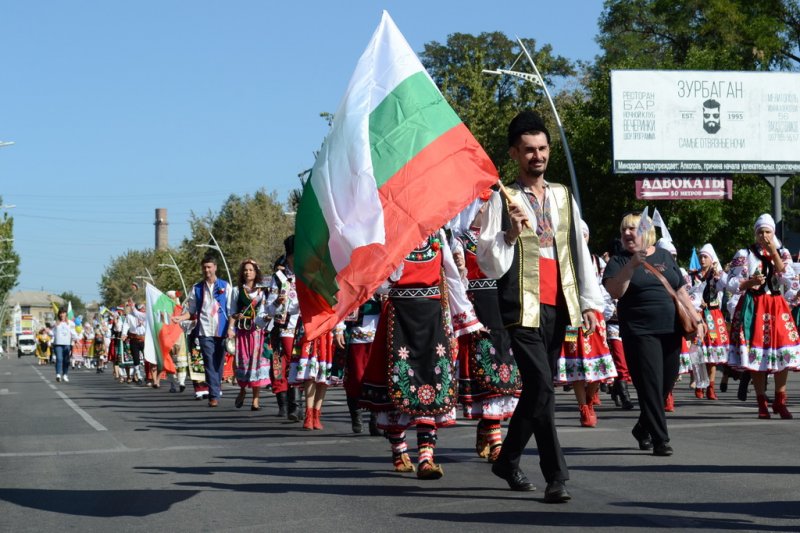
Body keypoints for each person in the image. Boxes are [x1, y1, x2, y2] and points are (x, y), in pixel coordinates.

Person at [477, 110, 605, 503]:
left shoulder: (563, 195)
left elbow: (577, 251)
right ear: (514, 153)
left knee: (541, 391)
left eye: (543, 148)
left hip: (558, 304)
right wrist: (509, 234)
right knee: (543, 386)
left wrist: (588, 302)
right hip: (521, 306)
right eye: (529, 150)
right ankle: (557, 476)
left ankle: (508, 459)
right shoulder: (502, 197)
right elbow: (488, 261)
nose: (538, 156)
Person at [361, 230, 481, 479]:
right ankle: (399, 450)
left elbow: (452, 279)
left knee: (431, 381)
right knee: (395, 383)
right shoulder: (390, 236)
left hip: (432, 318)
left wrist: (468, 320)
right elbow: (380, 284)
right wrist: (394, 254)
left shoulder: (438, 237)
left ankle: (426, 457)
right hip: (398, 318)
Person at [603, 212, 705, 457]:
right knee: (650, 386)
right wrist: (631, 265)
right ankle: (661, 439)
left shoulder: (664, 256)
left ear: (646, 232)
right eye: (624, 229)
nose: (627, 233)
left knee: (664, 385)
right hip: (640, 332)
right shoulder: (618, 262)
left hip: (671, 329)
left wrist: (697, 319)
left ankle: (642, 427)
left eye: (633, 229)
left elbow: (680, 291)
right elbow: (615, 291)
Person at [727, 214, 800, 419]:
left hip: (776, 304)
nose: (764, 235)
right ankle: (761, 402)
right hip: (754, 305)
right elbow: (731, 282)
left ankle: (780, 399)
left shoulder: (782, 252)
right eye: (760, 232)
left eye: (767, 231)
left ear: (773, 233)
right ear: (755, 233)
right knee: (755, 352)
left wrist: (773, 252)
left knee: (783, 348)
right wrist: (748, 283)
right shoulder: (744, 254)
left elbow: (789, 279)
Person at [173, 255, 232, 407]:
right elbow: (191, 310)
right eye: (204, 267)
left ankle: (215, 388)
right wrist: (180, 318)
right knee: (209, 361)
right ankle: (213, 395)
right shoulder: (197, 288)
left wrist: (231, 328)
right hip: (205, 330)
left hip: (221, 329)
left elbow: (232, 309)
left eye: (209, 267)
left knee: (219, 362)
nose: (207, 270)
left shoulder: (225, 286)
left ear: (215, 267)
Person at [687, 243, 729, 400]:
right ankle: (700, 384)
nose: (702, 259)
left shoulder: (716, 276)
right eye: (701, 257)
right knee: (697, 352)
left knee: (712, 353)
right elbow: (688, 294)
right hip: (698, 315)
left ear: (712, 260)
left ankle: (711, 386)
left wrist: (719, 272)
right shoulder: (693, 276)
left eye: (705, 257)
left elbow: (726, 287)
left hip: (713, 316)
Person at [228, 259, 271, 410]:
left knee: (256, 362)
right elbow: (232, 311)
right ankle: (242, 390)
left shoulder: (262, 292)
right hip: (243, 331)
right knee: (243, 361)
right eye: (245, 270)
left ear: (256, 272)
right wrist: (231, 327)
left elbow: (265, 310)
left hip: (257, 331)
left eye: (251, 270)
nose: (248, 272)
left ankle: (256, 399)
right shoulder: (236, 291)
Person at [52, 308, 78, 383]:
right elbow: (52, 333)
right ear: (59, 314)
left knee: (66, 360)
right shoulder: (55, 323)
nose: (62, 314)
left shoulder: (70, 323)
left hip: (67, 344)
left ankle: (65, 374)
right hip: (58, 344)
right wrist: (49, 331)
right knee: (59, 359)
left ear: (66, 314)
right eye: (61, 313)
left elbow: (73, 332)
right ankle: (58, 374)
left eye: (63, 313)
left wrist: (76, 339)